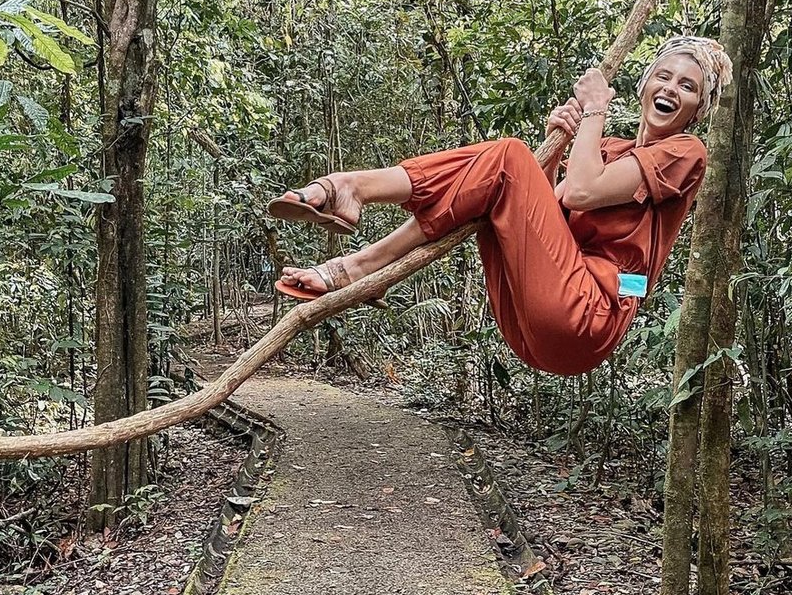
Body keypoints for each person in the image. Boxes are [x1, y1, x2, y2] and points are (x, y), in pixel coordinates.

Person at [267, 36, 733, 376]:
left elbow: (582, 193)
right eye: (664, 76)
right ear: (646, 83)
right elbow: (545, 213)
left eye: (688, 86)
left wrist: (591, 111)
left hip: (588, 316)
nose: (671, 89)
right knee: (493, 184)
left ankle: (352, 194)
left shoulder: (686, 152)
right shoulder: (608, 148)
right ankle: (356, 267)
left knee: (509, 157)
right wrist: (559, 148)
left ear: (699, 107)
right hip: (534, 326)